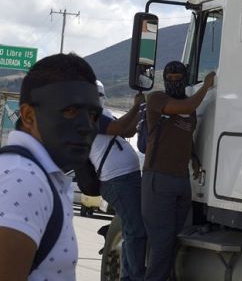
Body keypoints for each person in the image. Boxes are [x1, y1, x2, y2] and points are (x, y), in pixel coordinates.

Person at [0, 53, 101, 280]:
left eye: (93, 115)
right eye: (70, 111)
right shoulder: (24, 178)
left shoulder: (40, 175)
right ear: (28, 116)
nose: (86, 127)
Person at [141, 61, 215, 281]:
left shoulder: (188, 107)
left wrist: (193, 158)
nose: (174, 81)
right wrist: (206, 86)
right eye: (170, 78)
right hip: (158, 179)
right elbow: (185, 108)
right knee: (162, 243)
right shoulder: (157, 99)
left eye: (178, 77)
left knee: (174, 240)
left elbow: (185, 135)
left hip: (181, 181)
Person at [91, 80, 146, 281]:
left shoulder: (103, 114)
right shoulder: (89, 116)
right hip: (117, 180)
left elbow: (127, 131)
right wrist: (136, 107)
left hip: (125, 177)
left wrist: (139, 112)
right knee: (135, 230)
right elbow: (117, 127)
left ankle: (132, 274)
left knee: (134, 229)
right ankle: (132, 277)